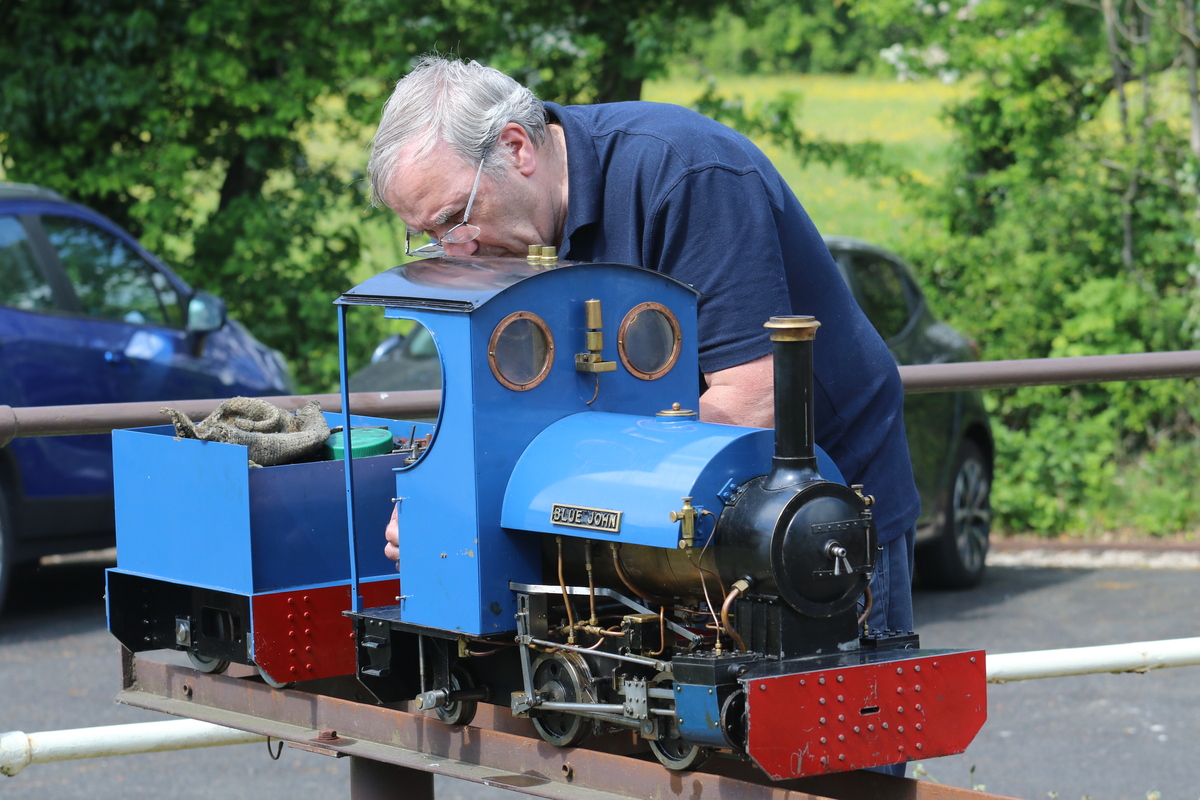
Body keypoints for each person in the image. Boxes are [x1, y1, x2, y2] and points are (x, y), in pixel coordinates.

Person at [371, 57, 919, 758]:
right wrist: (444, 507)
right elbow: (511, 406)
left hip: (813, 512)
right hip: (665, 531)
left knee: (832, 763)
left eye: (455, 216)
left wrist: (581, 503)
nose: (459, 247)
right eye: (431, 235)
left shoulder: (687, 174)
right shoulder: (512, 235)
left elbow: (750, 401)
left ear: (516, 147)